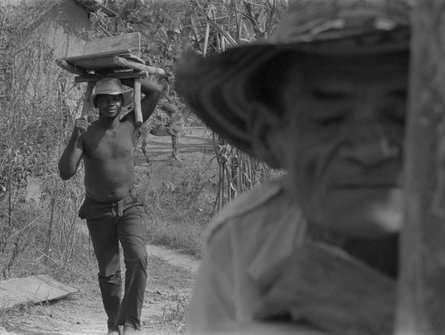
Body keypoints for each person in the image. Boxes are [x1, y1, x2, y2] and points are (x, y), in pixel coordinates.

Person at [175, 0, 412, 334]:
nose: (373, 150)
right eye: (330, 117)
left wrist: (392, 314)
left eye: (403, 115)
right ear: (269, 135)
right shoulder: (245, 239)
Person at [58, 77, 162, 334]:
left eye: (115, 98)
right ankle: (114, 325)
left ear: (123, 101)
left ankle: (131, 323)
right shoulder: (88, 134)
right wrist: (75, 135)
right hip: (98, 210)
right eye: (104, 99)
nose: (110, 103)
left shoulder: (131, 124)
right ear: (96, 104)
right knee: (109, 272)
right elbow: (65, 172)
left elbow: (157, 91)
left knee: (138, 258)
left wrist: (124, 72)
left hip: (129, 206)